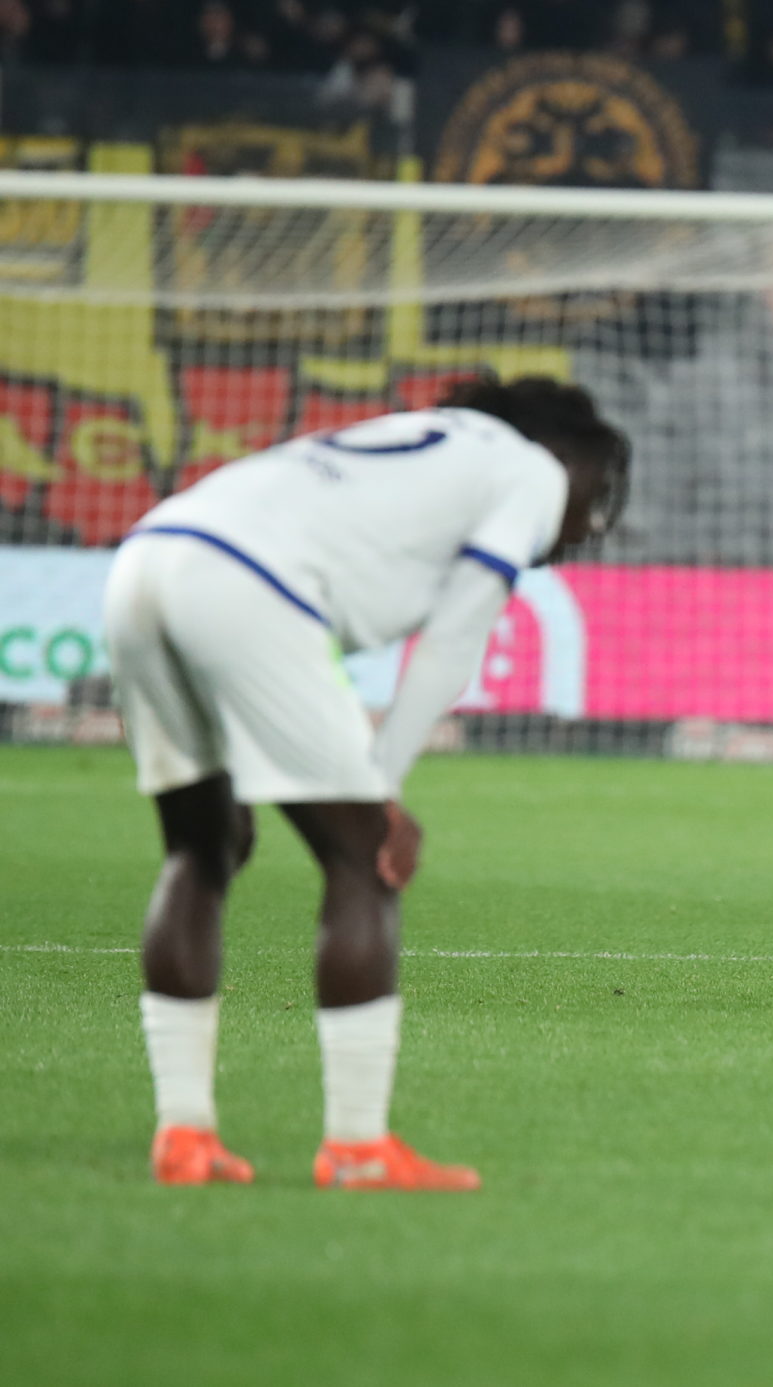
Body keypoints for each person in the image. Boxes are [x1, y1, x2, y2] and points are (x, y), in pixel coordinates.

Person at [105, 378, 630, 1187]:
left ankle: (184, 1135)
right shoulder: (529, 470)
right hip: (245, 579)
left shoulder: (427, 439)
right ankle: (358, 1147)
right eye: (594, 487)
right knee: (366, 861)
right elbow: (452, 642)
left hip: (144, 559)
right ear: (562, 454)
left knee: (203, 847)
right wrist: (382, 789)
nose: (589, 518)